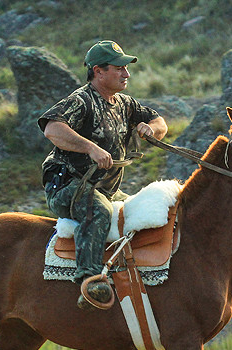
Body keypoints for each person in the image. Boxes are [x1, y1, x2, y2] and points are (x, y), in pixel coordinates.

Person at [37, 40, 168, 309]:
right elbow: (52, 129)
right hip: (66, 185)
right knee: (98, 211)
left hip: (106, 188)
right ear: (98, 71)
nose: (126, 74)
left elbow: (160, 122)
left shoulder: (125, 104)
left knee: (144, 210)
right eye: (119, 68)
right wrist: (90, 148)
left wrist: (150, 129)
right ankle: (90, 281)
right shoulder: (81, 100)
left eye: (126, 69)